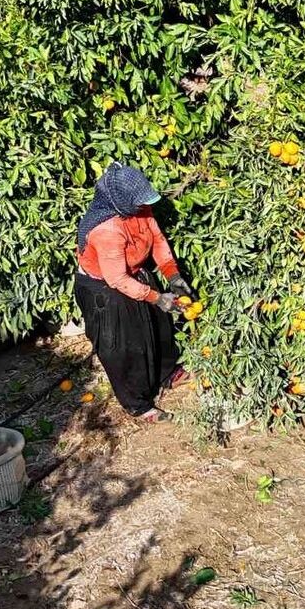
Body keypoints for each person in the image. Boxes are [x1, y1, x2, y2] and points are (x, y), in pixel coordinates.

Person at [75, 162, 189, 422]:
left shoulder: (139, 209)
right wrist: (157, 297)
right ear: (121, 201)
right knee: (124, 347)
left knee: (158, 326)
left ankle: (166, 372)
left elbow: (158, 240)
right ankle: (138, 404)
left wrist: (173, 274)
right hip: (105, 289)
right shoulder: (106, 230)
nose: (143, 206)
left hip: (134, 275)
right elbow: (116, 278)